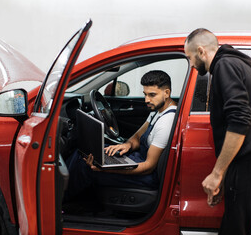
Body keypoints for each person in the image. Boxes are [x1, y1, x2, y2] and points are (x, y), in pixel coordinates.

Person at [184, 28, 251, 235]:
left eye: (189, 57)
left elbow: (240, 119)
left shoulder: (224, 66)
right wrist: (225, 177)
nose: (190, 64)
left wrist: (217, 174)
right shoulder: (234, 64)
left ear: (201, 51)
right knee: (237, 226)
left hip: (248, 163)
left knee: (235, 230)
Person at [64, 70, 177, 201]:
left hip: (146, 176)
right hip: (138, 159)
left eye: (152, 95)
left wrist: (105, 169)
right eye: (145, 94)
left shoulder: (166, 122)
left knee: (84, 165)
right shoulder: (158, 110)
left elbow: (148, 167)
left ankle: (61, 202)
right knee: (88, 154)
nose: (147, 100)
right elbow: (137, 136)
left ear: (167, 93)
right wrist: (127, 145)